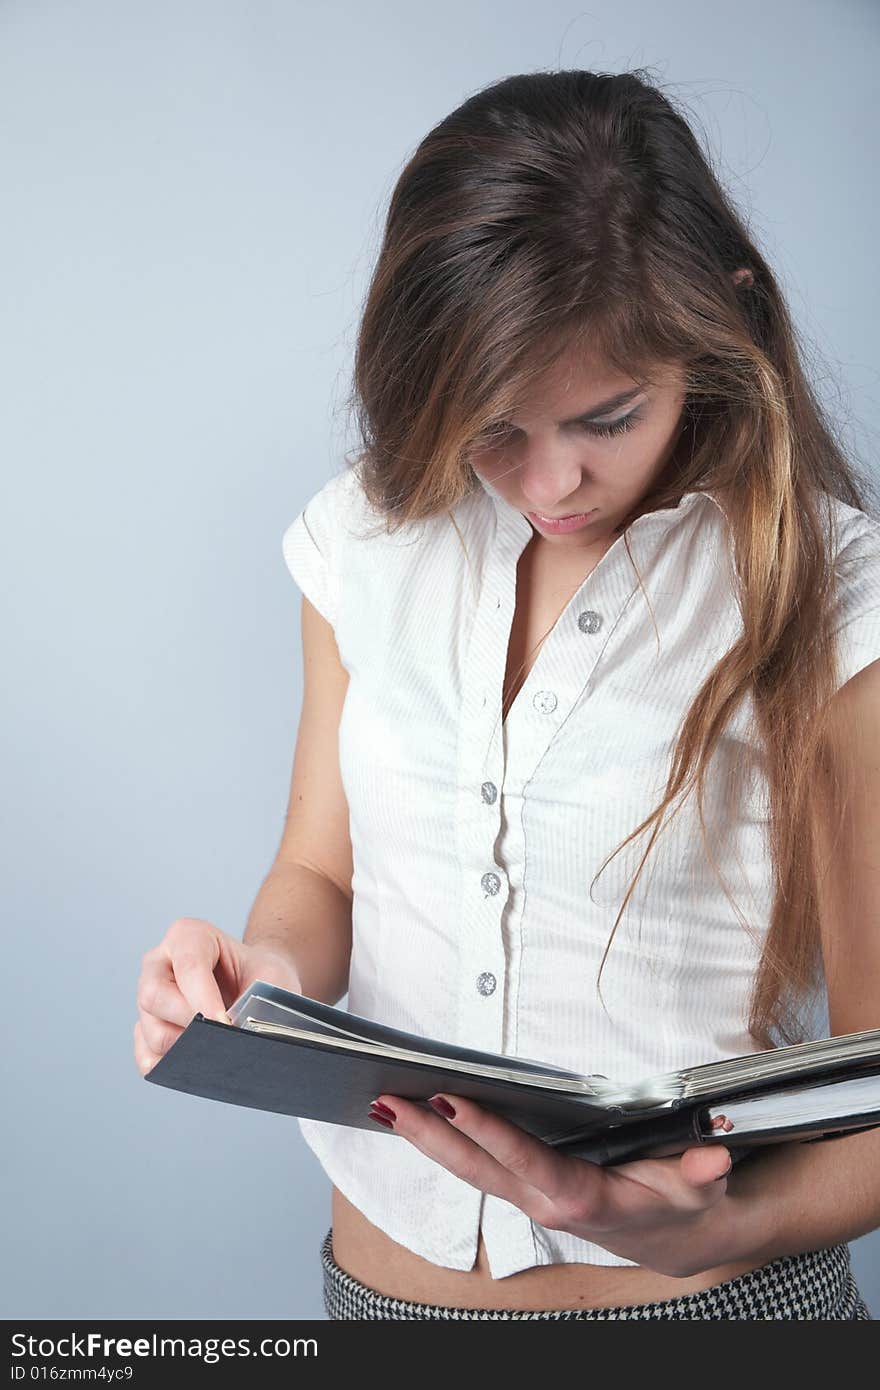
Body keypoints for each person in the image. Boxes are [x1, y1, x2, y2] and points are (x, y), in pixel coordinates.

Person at [134, 68, 880, 1319]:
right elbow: (322, 878)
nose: (550, 480)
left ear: (724, 323)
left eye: (607, 416)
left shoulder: (834, 597)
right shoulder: (362, 542)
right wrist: (251, 987)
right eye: (494, 428)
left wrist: (723, 1218)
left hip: (707, 1314)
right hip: (375, 1299)